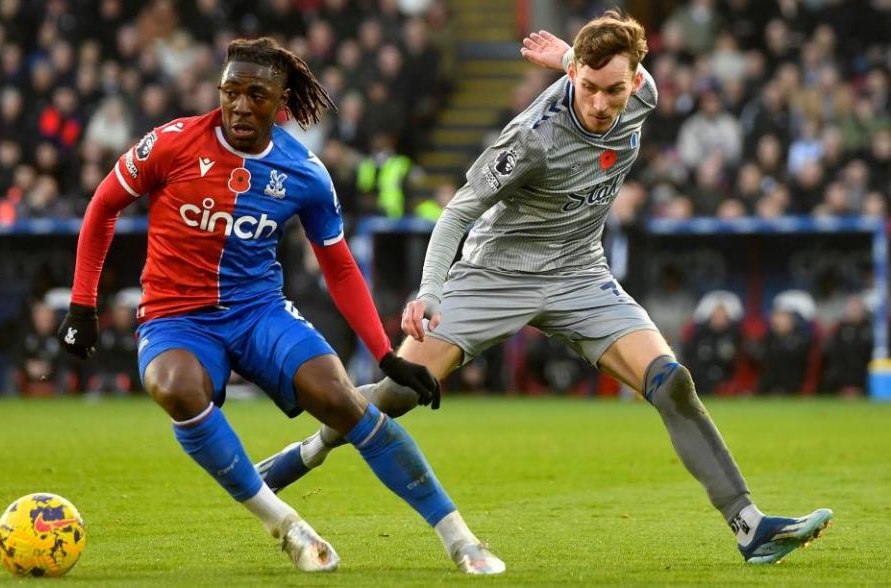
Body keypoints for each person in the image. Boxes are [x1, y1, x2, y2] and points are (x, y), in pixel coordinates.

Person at [256, 12, 832, 565]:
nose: (603, 104)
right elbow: (457, 214)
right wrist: (430, 289)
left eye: (614, 90)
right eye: (589, 87)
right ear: (574, 77)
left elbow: (603, 74)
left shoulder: (644, 94)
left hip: (579, 271)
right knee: (402, 392)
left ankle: (748, 526)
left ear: (636, 80)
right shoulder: (531, 137)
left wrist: (566, 57)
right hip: (494, 275)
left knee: (671, 381)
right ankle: (310, 449)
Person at [56, 38, 504, 575]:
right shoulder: (171, 143)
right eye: (230, 92)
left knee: (339, 397)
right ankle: (285, 523)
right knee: (175, 388)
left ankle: (460, 538)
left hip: (258, 312)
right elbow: (103, 206)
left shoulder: (305, 172)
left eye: (256, 95)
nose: (241, 106)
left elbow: (338, 266)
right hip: (177, 316)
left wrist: (385, 355)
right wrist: (83, 305)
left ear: (281, 103)